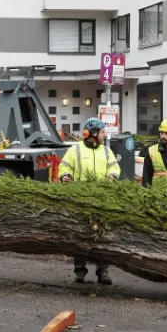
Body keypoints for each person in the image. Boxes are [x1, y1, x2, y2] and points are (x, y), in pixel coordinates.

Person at [58, 117, 120, 285]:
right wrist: (65, 175)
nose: (104, 135)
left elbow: (114, 167)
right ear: (93, 133)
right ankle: (80, 271)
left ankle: (103, 272)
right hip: (80, 200)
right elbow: (64, 166)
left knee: (102, 237)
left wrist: (112, 175)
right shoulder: (75, 150)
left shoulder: (106, 151)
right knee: (80, 236)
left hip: (101, 200)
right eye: (101, 132)